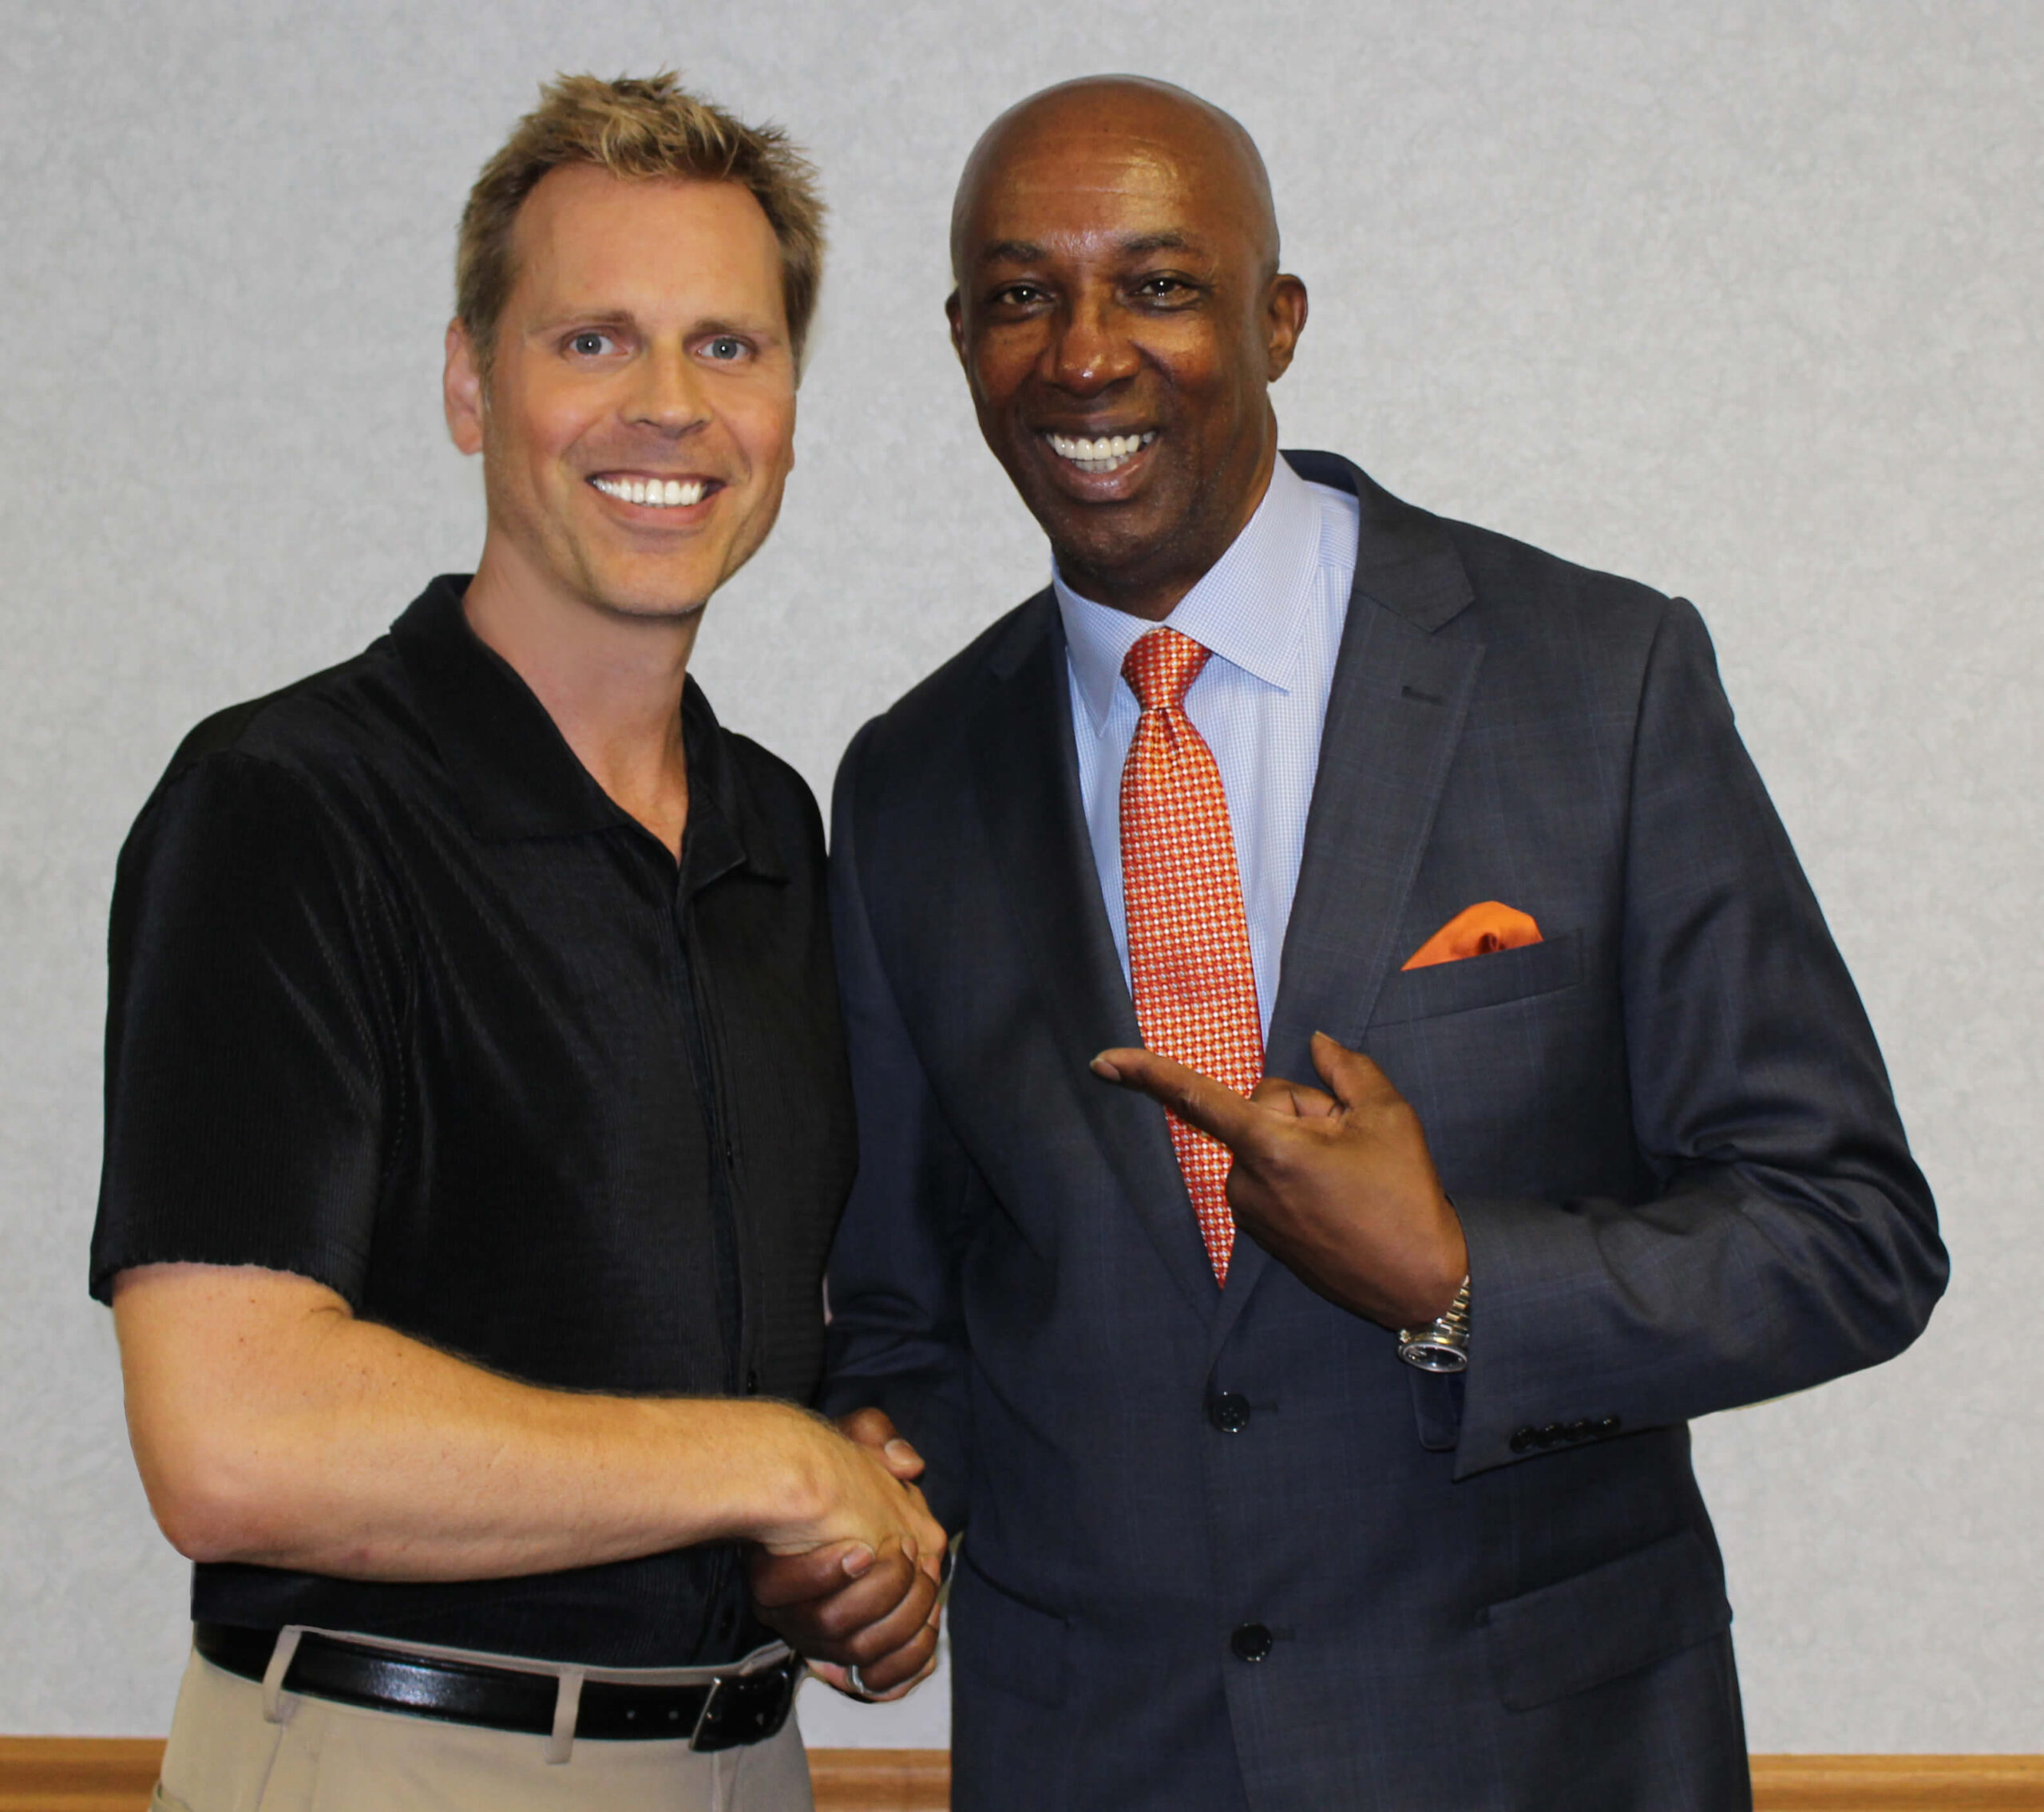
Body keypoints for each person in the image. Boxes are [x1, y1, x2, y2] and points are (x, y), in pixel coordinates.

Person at [751, 75, 1947, 1810]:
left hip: (1540, 1759)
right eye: (1019, 295)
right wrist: (878, 1492)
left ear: (1278, 319)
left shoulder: (1596, 681)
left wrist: (1459, 1280)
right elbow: (903, 1312)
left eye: (1159, 284)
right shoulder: (907, 783)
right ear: (960, 342)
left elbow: (1849, 1234)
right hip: (1100, 1764)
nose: (1082, 353)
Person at [89, 73, 943, 1812]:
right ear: (472, 384)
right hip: (395, 1764)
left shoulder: (777, 831)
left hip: (745, 1760)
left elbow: (721, 1353)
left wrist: (845, 1522)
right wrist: (770, 1464)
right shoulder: (286, 805)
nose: (669, 404)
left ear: (788, 402)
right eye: (593, 340)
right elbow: (234, 1439)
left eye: (727, 345)